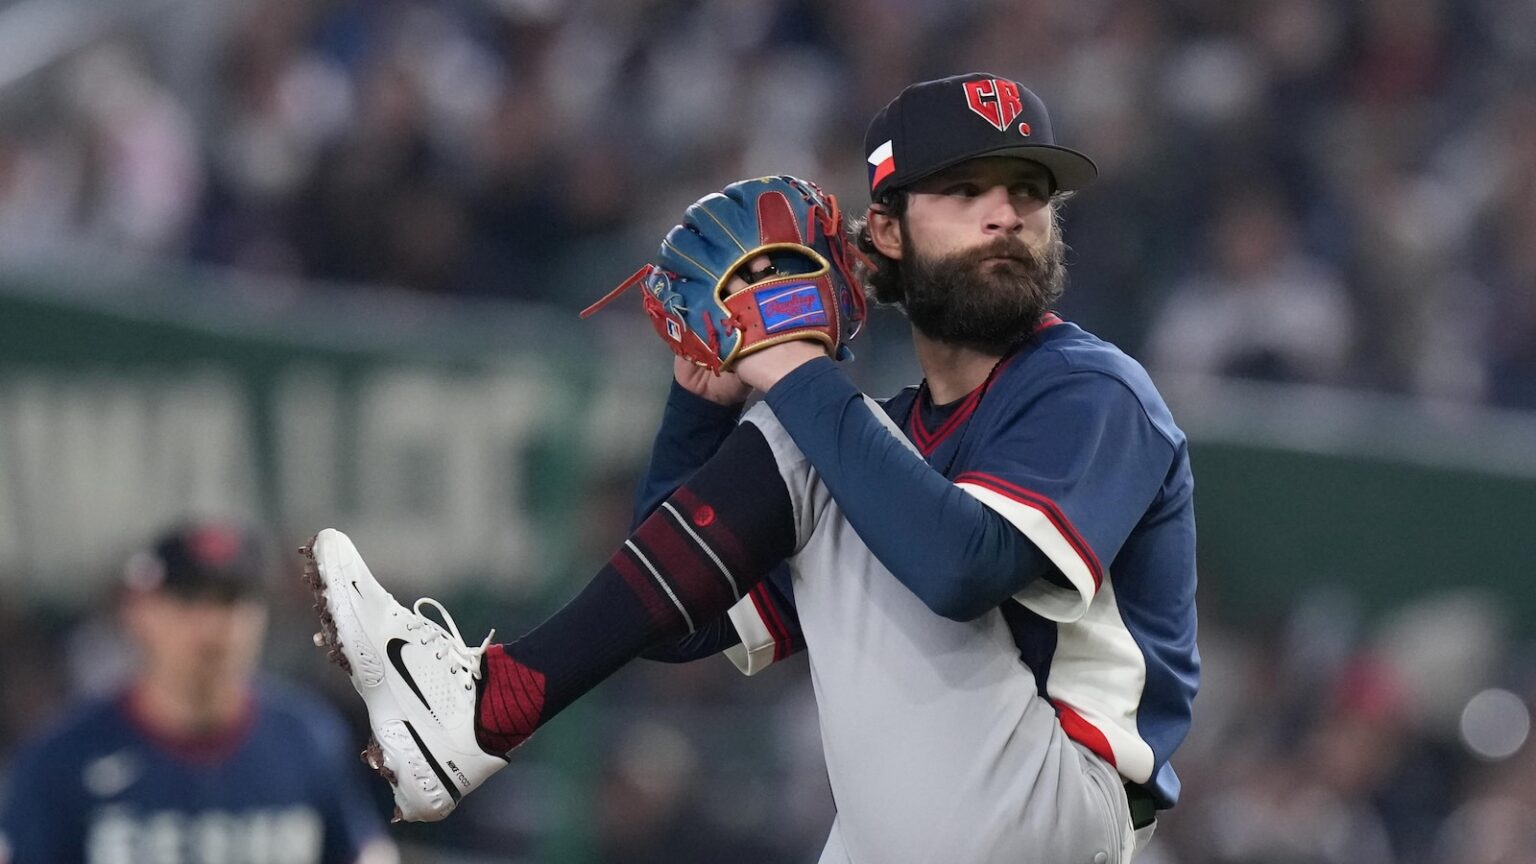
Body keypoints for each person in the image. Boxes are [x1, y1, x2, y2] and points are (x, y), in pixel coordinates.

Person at [308, 72, 1198, 863]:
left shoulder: (1090, 388)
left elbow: (963, 568)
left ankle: (489, 704)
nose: (1006, 213)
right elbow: (680, 621)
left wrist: (786, 364)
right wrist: (698, 409)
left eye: (1029, 191)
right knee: (819, 440)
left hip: (1051, 800)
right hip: (919, 826)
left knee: (814, 441)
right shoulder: (879, 435)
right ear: (886, 231)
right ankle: (481, 708)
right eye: (966, 190)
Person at [0, 523, 396, 864]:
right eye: (187, 600)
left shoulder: (306, 737)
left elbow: (361, 850)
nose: (212, 626)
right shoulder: (67, 755)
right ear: (139, 612)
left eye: (231, 600)